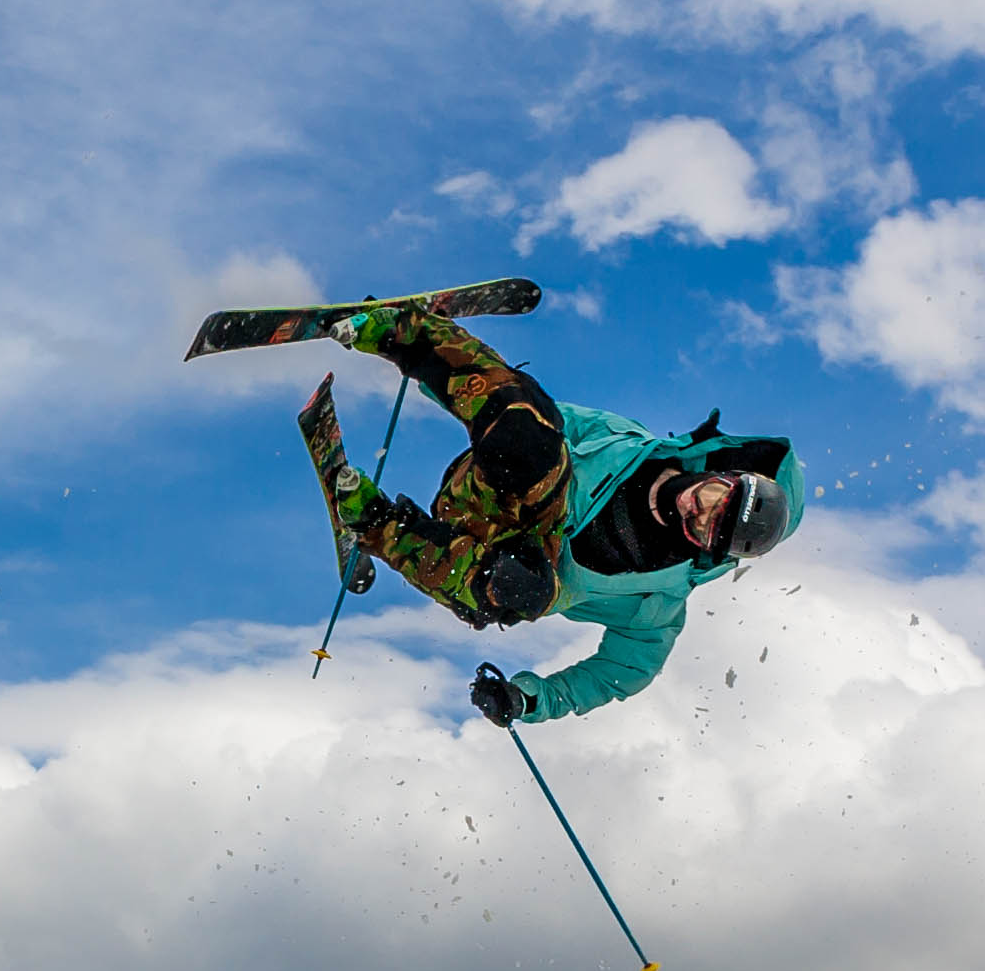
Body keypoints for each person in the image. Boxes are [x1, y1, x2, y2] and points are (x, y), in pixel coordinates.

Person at [297, 302, 801, 725]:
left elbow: (617, 674)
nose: (698, 510)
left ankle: (376, 523)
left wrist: (527, 699)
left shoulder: (659, 603)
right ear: (725, 474)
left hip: (492, 554)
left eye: (708, 529)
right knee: (532, 436)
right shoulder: (627, 445)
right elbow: (519, 404)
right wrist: (424, 366)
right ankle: (402, 330)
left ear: (715, 554)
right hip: (501, 487)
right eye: (715, 497)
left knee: (524, 592)